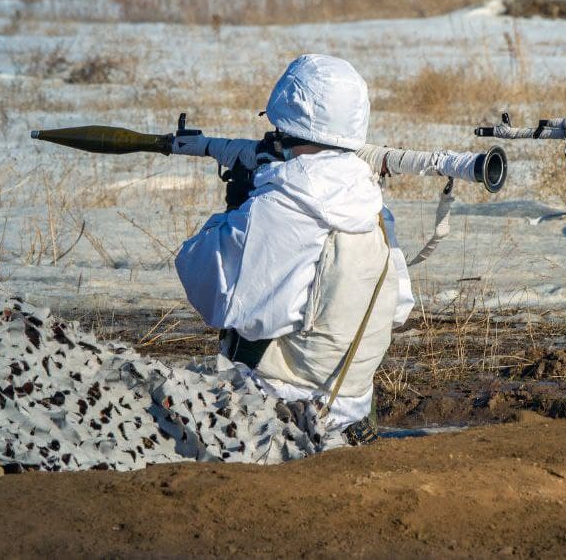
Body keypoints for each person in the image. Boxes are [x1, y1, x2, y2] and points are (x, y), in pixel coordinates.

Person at [174, 54, 413, 443]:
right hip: (352, 410)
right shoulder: (373, 206)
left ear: (289, 126)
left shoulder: (284, 204)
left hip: (280, 412)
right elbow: (399, 308)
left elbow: (212, 290)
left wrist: (234, 209)